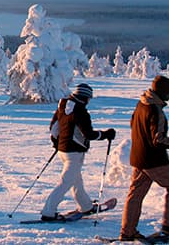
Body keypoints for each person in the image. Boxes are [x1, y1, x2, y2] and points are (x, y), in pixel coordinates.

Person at [120, 75, 169, 241]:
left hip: (138, 157)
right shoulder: (155, 110)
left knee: (135, 195)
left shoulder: (141, 104)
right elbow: (158, 139)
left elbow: (133, 125)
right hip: (153, 160)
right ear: (162, 92)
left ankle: (127, 232)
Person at [40, 83, 116, 221]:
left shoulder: (62, 106)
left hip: (63, 151)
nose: (89, 101)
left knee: (76, 181)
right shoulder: (81, 112)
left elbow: (53, 128)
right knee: (65, 182)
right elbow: (89, 134)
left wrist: (57, 143)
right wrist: (106, 134)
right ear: (84, 97)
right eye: (89, 98)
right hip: (74, 153)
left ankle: (85, 206)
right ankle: (48, 212)